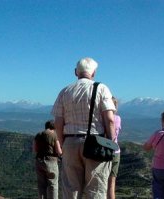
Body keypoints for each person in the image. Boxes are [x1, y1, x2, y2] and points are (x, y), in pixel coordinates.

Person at [51, 57, 116, 199]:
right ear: (93, 73)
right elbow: (110, 120)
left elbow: (58, 122)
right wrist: (111, 144)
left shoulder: (65, 91)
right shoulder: (101, 88)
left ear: (76, 72)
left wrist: (62, 144)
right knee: (96, 189)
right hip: (96, 142)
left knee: (71, 189)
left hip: (70, 142)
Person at [33, 120, 62, 199]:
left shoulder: (38, 135)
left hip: (39, 161)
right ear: (54, 127)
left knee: (41, 185)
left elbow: (35, 149)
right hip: (51, 162)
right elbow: (59, 151)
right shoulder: (54, 135)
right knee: (53, 185)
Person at [107, 97, 121, 199]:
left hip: (103, 151)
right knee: (112, 183)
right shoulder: (118, 118)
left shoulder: (102, 118)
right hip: (116, 151)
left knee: (101, 182)